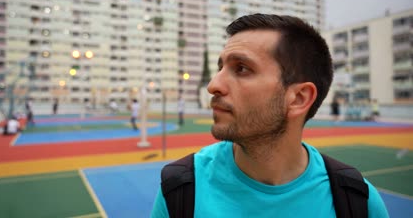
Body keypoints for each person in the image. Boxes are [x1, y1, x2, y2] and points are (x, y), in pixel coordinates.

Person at [151, 14, 388, 217]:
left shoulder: (356, 201)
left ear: (299, 98)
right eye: (220, 67)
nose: (213, 84)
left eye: (242, 69)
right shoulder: (181, 189)